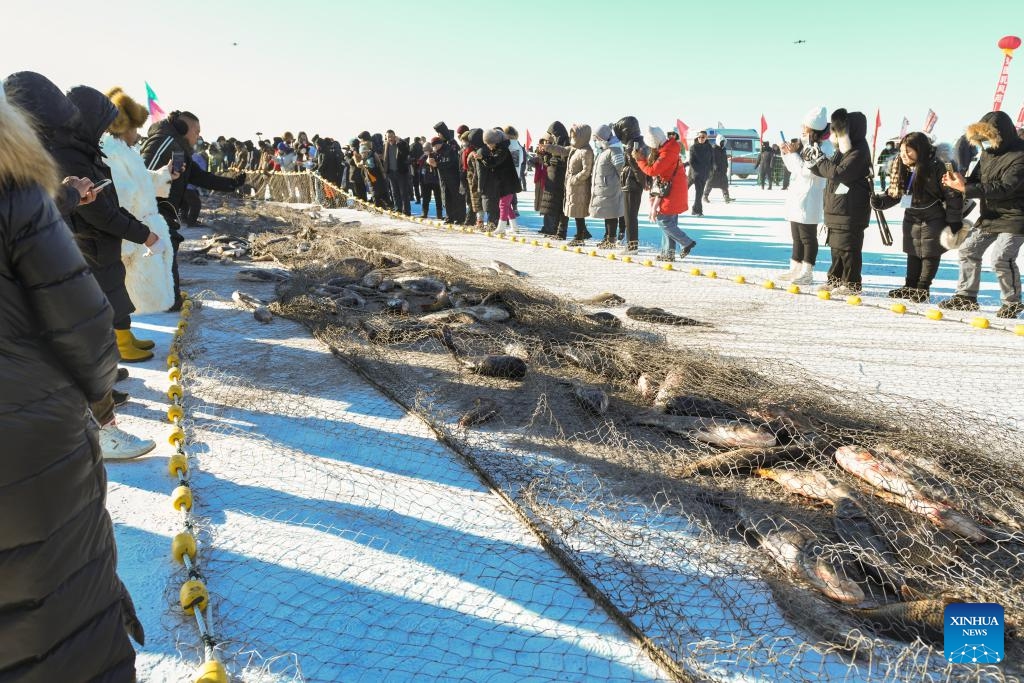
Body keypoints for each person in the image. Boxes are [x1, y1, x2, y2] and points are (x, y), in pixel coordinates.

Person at [0, 80, 144, 683]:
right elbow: (84, 323)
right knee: (57, 613)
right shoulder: (14, 187)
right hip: (23, 433)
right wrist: (98, 396)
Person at [141, 109, 245, 310]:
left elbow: (198, 176)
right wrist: (146, 211)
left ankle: (168, 299)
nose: (198, 136)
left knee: (167, 251)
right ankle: (167, 300)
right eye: (196, 131)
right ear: (182, 127)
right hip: (152, 212)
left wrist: (231, 184)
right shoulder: (163, 142)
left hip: (165, 213)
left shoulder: (178, 148)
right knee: (163, 252)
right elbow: (142, 175)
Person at [100, 87, 177, 316]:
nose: (138, 132)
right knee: (133, 299)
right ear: (125, 127)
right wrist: (132, 243)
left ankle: (129, 337)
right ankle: (126, 340)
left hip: (141, 233)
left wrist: (165, 175)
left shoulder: (126, 151)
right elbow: (123, 199)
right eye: (135, 127)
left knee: (140, 300)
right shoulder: (113, 154)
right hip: (136, 237)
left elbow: (140, 182)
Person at [939, 111, 1024, 318]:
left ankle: (1011, 303)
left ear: (1000, 135)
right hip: (990, 216)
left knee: (1001, 258)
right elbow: (977, 180)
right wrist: (959, 182)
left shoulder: (1021, 155)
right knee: (968, 249)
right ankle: (966, 297)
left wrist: (965, 188)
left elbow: (1005, 187)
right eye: (981, 140)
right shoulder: (988, 154)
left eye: (987, 139)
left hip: (1015, 217)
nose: (984, 144)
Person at [871, 132, 964, 302]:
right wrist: (881, 202)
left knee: (930, 253)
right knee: (912, 251)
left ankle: (922, 288)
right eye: (902, 151)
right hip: (912, 216)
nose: (904, 155)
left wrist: (954, 220)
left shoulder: (939, 165)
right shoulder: (901, 165)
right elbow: (895, 193)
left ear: (920, 150)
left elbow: (953, 195)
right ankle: (910, 286)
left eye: (909, 151)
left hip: (934, 216)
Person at [807, 108, 873, 295]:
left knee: (848, 248)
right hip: (837, 206)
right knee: (836, 247)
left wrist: (819, 161)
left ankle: (852, 283)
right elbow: (829, 171)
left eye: (839, 130)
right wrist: (813, 162)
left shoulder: (859, 151)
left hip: (851, 209)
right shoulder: (842, 150)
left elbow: (840, 173)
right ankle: (835, 280)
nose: (835, 134)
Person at [777, 106, 832, 286]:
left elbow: (807, 170)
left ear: (813, 128)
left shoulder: (825, 147)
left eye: (805, 125)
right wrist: (786, 153)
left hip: (811, 196)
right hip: (797, 194)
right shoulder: (804, 143)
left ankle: (807, 271)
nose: (802, 127)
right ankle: (795, 268)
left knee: (808, 236)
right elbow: (794, 168)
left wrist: (793, 154)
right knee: (796, 235)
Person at [635, 126, 695, 261]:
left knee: (664, 221)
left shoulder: (667, 152)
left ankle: (686, 242)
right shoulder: (669, 148)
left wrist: (640, 160)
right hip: (674, 188)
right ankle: (668, 254)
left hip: (672, 191)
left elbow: (652, 171)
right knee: (670, 222)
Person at [540, 124, 594, 245]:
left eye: (574, 136)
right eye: (571, 136)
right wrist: (548, 147)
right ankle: (580, 235)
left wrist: (574, 179)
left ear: (582, 136)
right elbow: (562, 150)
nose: (572, 138)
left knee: (579, 212)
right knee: (574, 211)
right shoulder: (575, 148)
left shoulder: (586, 151)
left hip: (580, 187)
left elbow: (587, 170)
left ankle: (580, 237)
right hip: (572, 187)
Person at [476, 127, 522, 236]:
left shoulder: (502, 150)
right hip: (503, 183)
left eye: (489, 143)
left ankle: (501, 227)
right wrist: (482, 159)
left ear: (495, 142)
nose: (488, 146)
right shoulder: (498, 149)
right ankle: (515, 227)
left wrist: (482, 158)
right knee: (507, 205)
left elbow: (494, 162)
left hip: (508, 183)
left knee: (503, 204)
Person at [613, 116, 648, 252]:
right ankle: (632, 244)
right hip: (635, 182)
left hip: (630, 182)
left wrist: (643, 182)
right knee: (632, 215)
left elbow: (635, 167)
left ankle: (632, 245)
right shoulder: (641, 141)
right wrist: (645, 181)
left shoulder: (631, 145)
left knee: (630, 216)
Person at [589, 124, 625, 247]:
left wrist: (616, 184)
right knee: (607, 214)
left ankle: (611, 239)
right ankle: (608, 237)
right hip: (605, 188)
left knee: (611, 215)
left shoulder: (614, 150)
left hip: (612, 188)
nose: (596, 142)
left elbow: (621, 170)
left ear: (603, 138)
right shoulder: (604, 151)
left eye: (597, 139)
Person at [536, 121, 571, 238]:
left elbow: (564, 160)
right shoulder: (552, 143)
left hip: (560, 179)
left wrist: (553, 159)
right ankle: (549, 228)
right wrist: (544, 154)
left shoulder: (566, 142)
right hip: (551, 177)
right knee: (549, 205)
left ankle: (556, 230)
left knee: (557, 205)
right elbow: (547, 162)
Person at [432, 122, 465, 224]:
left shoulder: (452, 143)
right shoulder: (442, 144)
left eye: (439, 134)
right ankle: (449, 216)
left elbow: (453, 161)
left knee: (456, 197)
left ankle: (459, 218)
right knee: (446, 197)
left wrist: (437, 165)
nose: (439, 136)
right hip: (443, 176)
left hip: (453, 175)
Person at [384, 129, 412, 215]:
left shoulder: (401, 144)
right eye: (388, 137)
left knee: (404, 193)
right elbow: (385, 158)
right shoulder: (385, 145)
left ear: (395, 136)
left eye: (392, 136)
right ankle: (398, 209)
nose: (390, 138)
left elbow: (406, 153)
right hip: (391, 173)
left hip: (401, 172)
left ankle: (406, 211)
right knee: (394, 192)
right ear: (386, 138)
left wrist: (399, 142)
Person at [688, 130, 713, 216]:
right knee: (684, 189)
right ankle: (697, 210)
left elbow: (712, 160)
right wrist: (696, 172)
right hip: (694, 173)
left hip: (704, 174)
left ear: (706, 138)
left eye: (703, 137)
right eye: (699, 137)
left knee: (699, 193)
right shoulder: (694, 147)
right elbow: (691, 161)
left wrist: (710, 171)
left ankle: (696, 210)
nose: (701, 139)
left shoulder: (709, 147)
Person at [419, 137, 444, 218]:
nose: (425, 151)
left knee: (438, 198)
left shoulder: (436, 155)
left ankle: (439, 214)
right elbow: (419, 164)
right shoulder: (423, 157)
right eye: (424, 149)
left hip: (436, 180)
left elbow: (438, 165)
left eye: (426, 149)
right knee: (426, 198)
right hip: (426, 181)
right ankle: (424, 213)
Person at [705, 138, 732, 203]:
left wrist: (726, 165)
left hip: (722, 169)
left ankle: (726, 197)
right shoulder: (713, 149)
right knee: (710, 184)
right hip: (714, 170)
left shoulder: (723, 149)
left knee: (724, 184)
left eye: (723, 142)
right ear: (718, 141)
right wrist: (715, 166)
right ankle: (705, 196)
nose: (723, 143)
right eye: (721, 142)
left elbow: (724, 157)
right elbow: (712, 159)